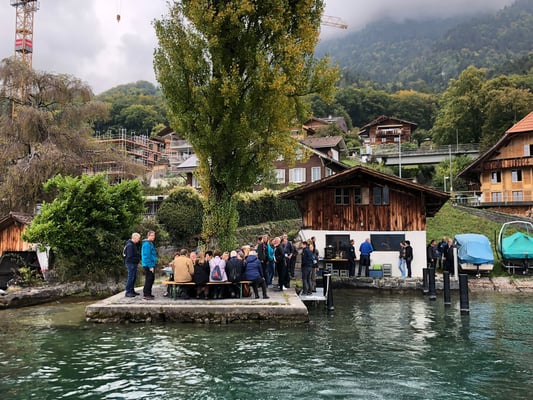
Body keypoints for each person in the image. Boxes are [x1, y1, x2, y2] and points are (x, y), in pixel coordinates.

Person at [124, 232, 141, 297]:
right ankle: (128, 291)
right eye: (138, 238)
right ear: (135, 237)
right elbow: (129, 256)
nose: (139, 239)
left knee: (133, 277)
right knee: (131, 277)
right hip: (131, 263)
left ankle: (132, 290)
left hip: (133, 263)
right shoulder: (130, 245)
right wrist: (137, 259)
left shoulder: (133, 244)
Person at [141, 231, 157, 300]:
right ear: (148, 236)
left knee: (151, 279)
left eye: (154, 235)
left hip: (151, 264)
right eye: (152, 235)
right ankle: (146, 294)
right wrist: (150, 266)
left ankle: (149, 293)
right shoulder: (146, 244)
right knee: (149, 279)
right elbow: (147, 256)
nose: (153, 237)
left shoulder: (151, 243)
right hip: (148, 265)